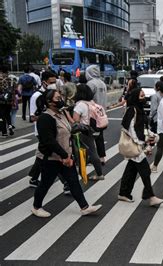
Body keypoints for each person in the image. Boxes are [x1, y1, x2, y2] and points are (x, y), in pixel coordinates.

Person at [32, 89, 102, 217]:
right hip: (51, 158)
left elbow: (68, 130)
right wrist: (64, 156)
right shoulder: (45, 118)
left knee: (73, 181)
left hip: (66, 156)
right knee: (45, 184)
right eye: (58, 98)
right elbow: (48, 141)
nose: (61, 100)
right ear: (49, 102)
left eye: (61, 97)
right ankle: (36, 207)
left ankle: (84, 207)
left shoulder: (62, 113)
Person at [118, 88, 163, 206]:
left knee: (131, 170)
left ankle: (124, 193)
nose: (144, 98)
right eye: (141, 96)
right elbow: (128, 127)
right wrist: (139, 141)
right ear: (135, 97)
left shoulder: (140, 110)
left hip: (138, 143)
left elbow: (143, 127)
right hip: (135, 144)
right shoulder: (132, 110)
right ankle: (150, 196)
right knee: (145, 171)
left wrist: (152, 135)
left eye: (144, 96)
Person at [28, 71, 60, 188]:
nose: (53, 85)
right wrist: (46, 117)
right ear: (44, 82)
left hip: (55, 129)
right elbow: (32, 117)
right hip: (42, 131)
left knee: (43, 155)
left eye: (55, 82)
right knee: (56, 154)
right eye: (51, 82)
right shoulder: (36, 96)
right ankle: (66, 183)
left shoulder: (54, 95)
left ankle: (34, 178)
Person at [73, 84, 105, 181]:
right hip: (95, 129)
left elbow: (75, 121)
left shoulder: (80, 105)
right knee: (90, 151)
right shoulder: (92, 103)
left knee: (84, 152)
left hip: (84, 131)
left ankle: (88, 174)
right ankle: (96, 173)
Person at [86, 65, 107, 165]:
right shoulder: (102, 83)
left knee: (89, 138)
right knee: (100, 137)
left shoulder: (90, 84)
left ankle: (92, 158)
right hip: (102, 113)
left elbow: (87, 98)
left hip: (92, 114)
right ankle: (102, 157)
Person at [0, 66, 14, 136]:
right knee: (8, 115)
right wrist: (13, 100)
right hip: (9, 100)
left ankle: (4, 132)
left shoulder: (0, 79)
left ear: (1, 71)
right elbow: (13, 90)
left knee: (1, 116)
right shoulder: (11, 79)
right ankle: (10, 127)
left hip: (1, 101)